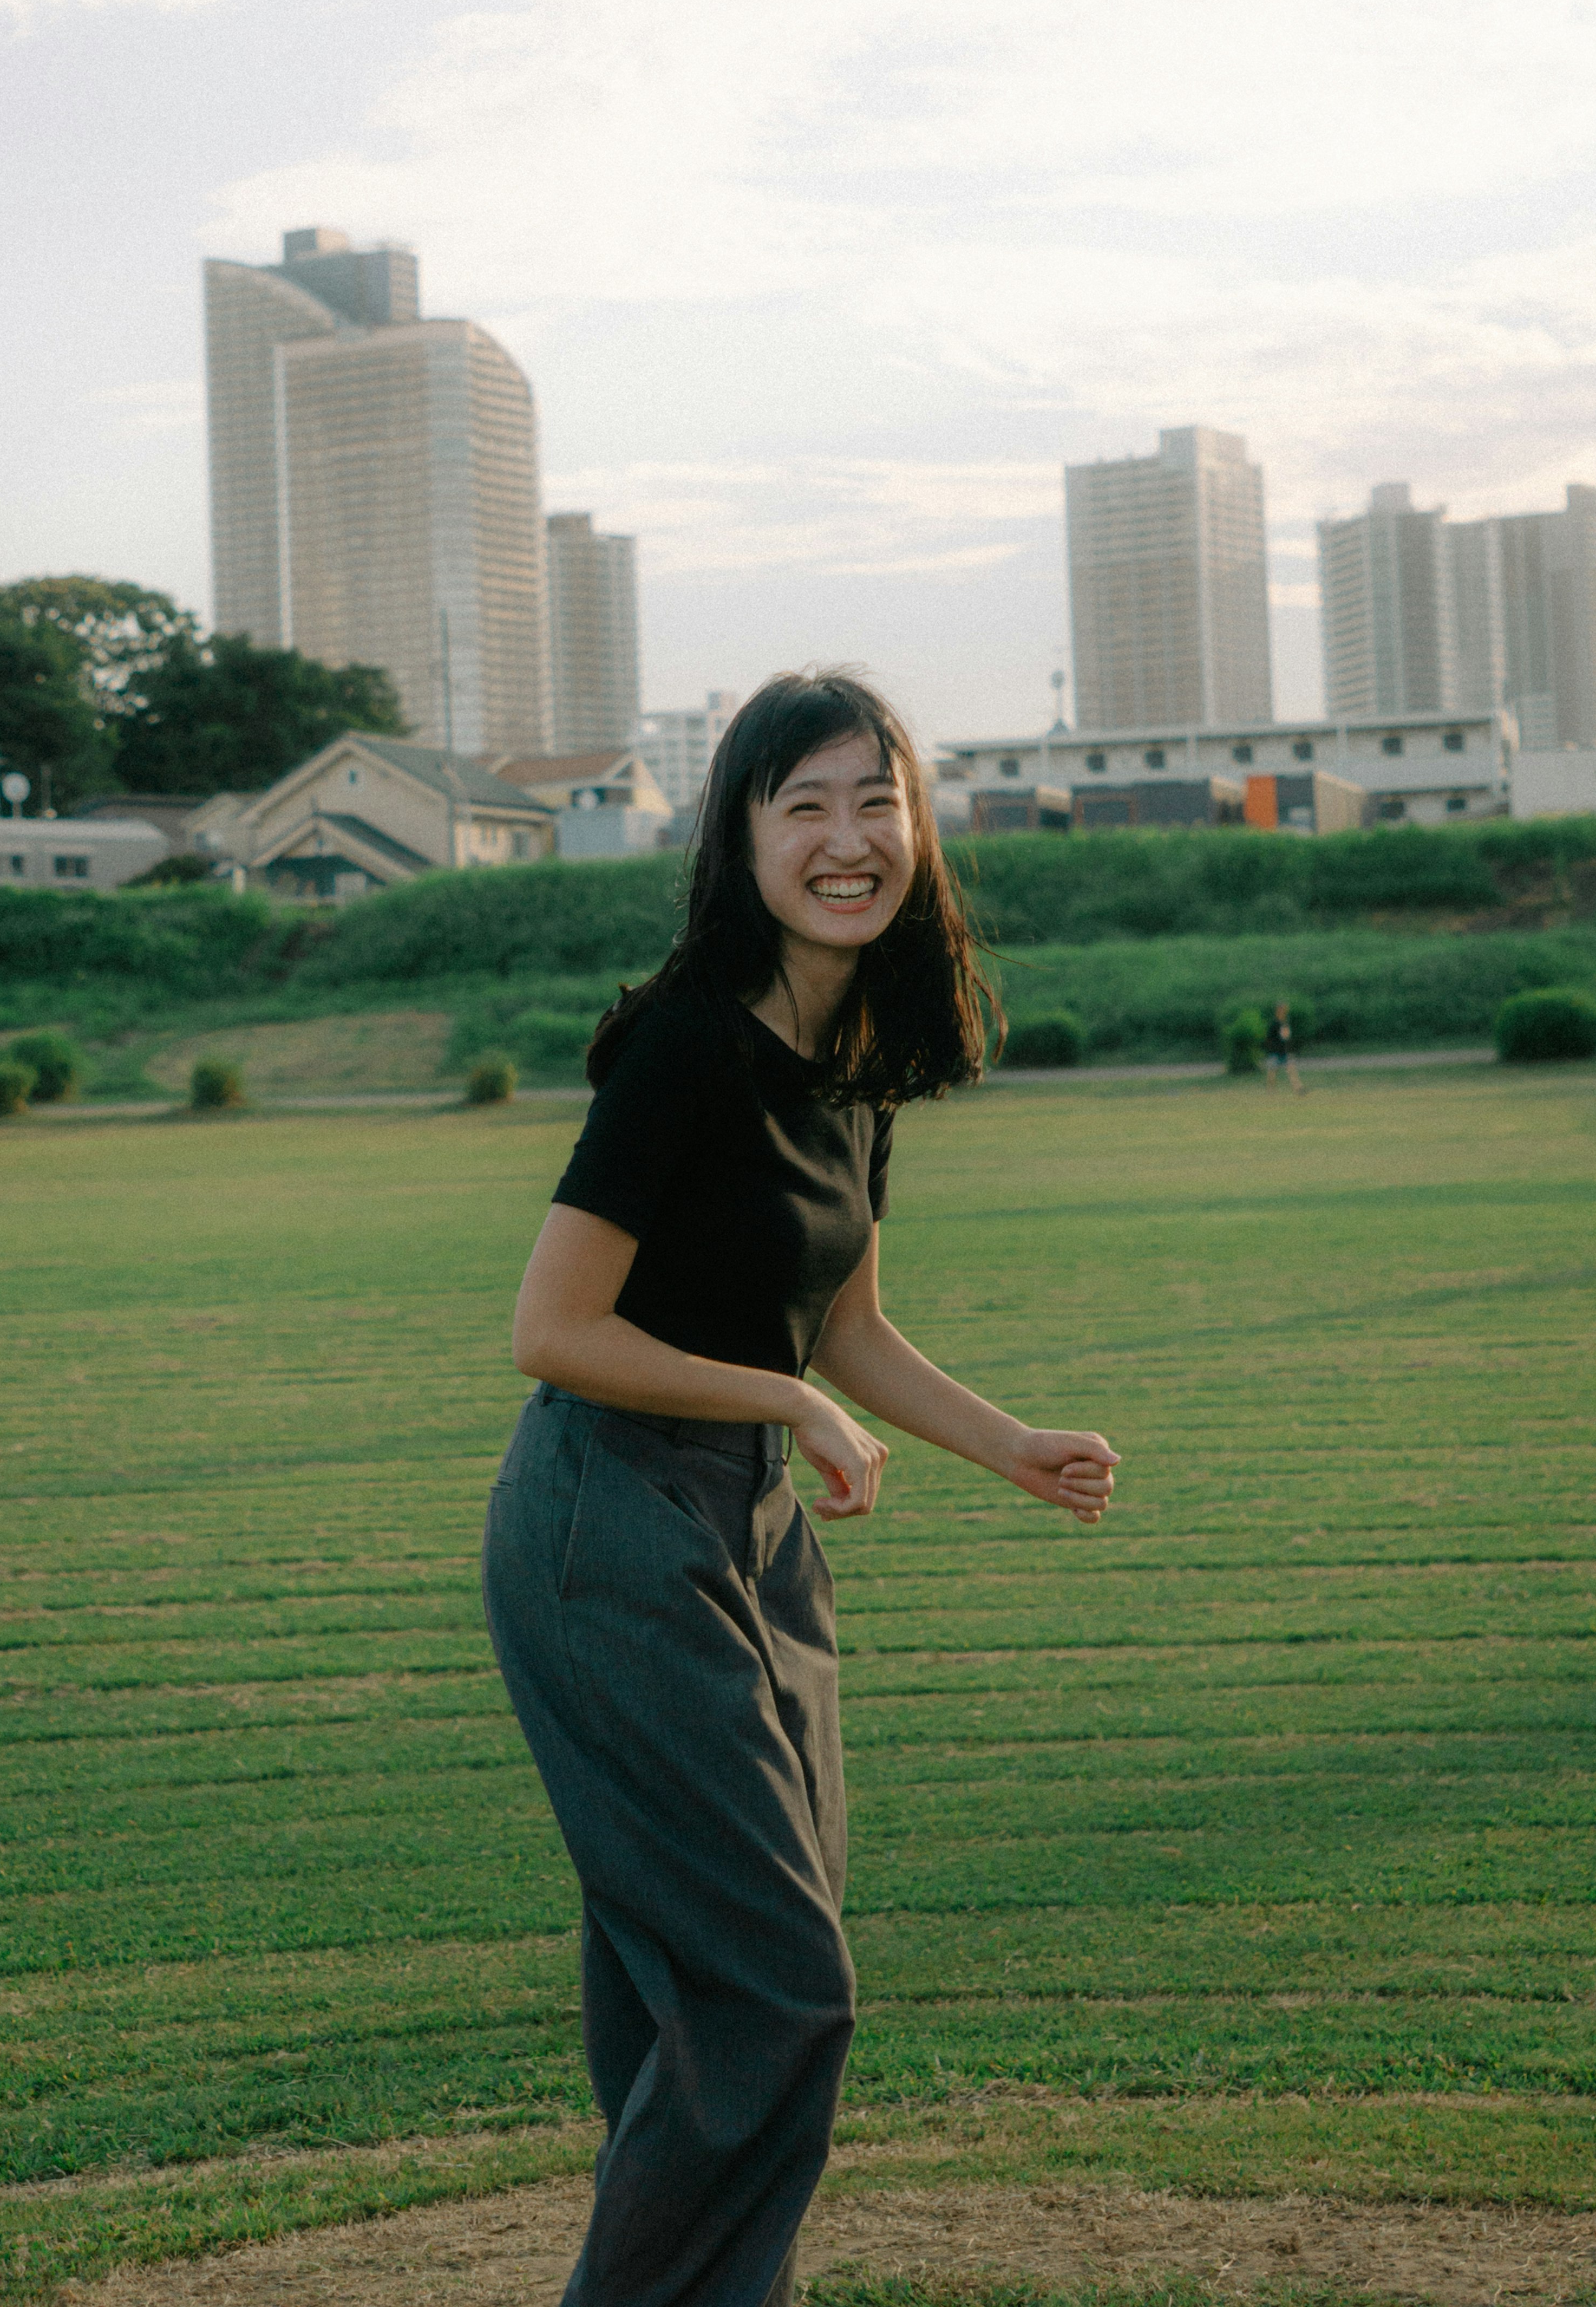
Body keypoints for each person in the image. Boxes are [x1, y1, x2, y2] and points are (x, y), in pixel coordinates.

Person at [482, 667, 1119, 2307]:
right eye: (804, 803)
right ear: (742, 833)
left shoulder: (855, 1058)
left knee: (699, 1979)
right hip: (605, 1519)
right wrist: (775, 1392)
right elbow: (550, 1328)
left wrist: (1007, 1441)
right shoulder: (685, 1043)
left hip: (747, 1528)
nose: (847, 839)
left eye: (874, 798)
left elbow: (846, 1321)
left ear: (915, 823)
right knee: (771, 1986)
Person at [1265, 998, 1304, 1093]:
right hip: (1275, 1051)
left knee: (1291, 1069)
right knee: (1272, 1071)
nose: (1284, 1011)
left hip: (1285, 1051)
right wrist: (1271, 1048)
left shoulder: (1285, 1023)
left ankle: (1298, 1088)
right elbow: (1269, 1038)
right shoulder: (1274, 1024)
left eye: (1285, 1009)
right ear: (1278, 1011)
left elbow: (1287, 1037)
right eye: (1282, 1009)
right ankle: (1271, 1090)